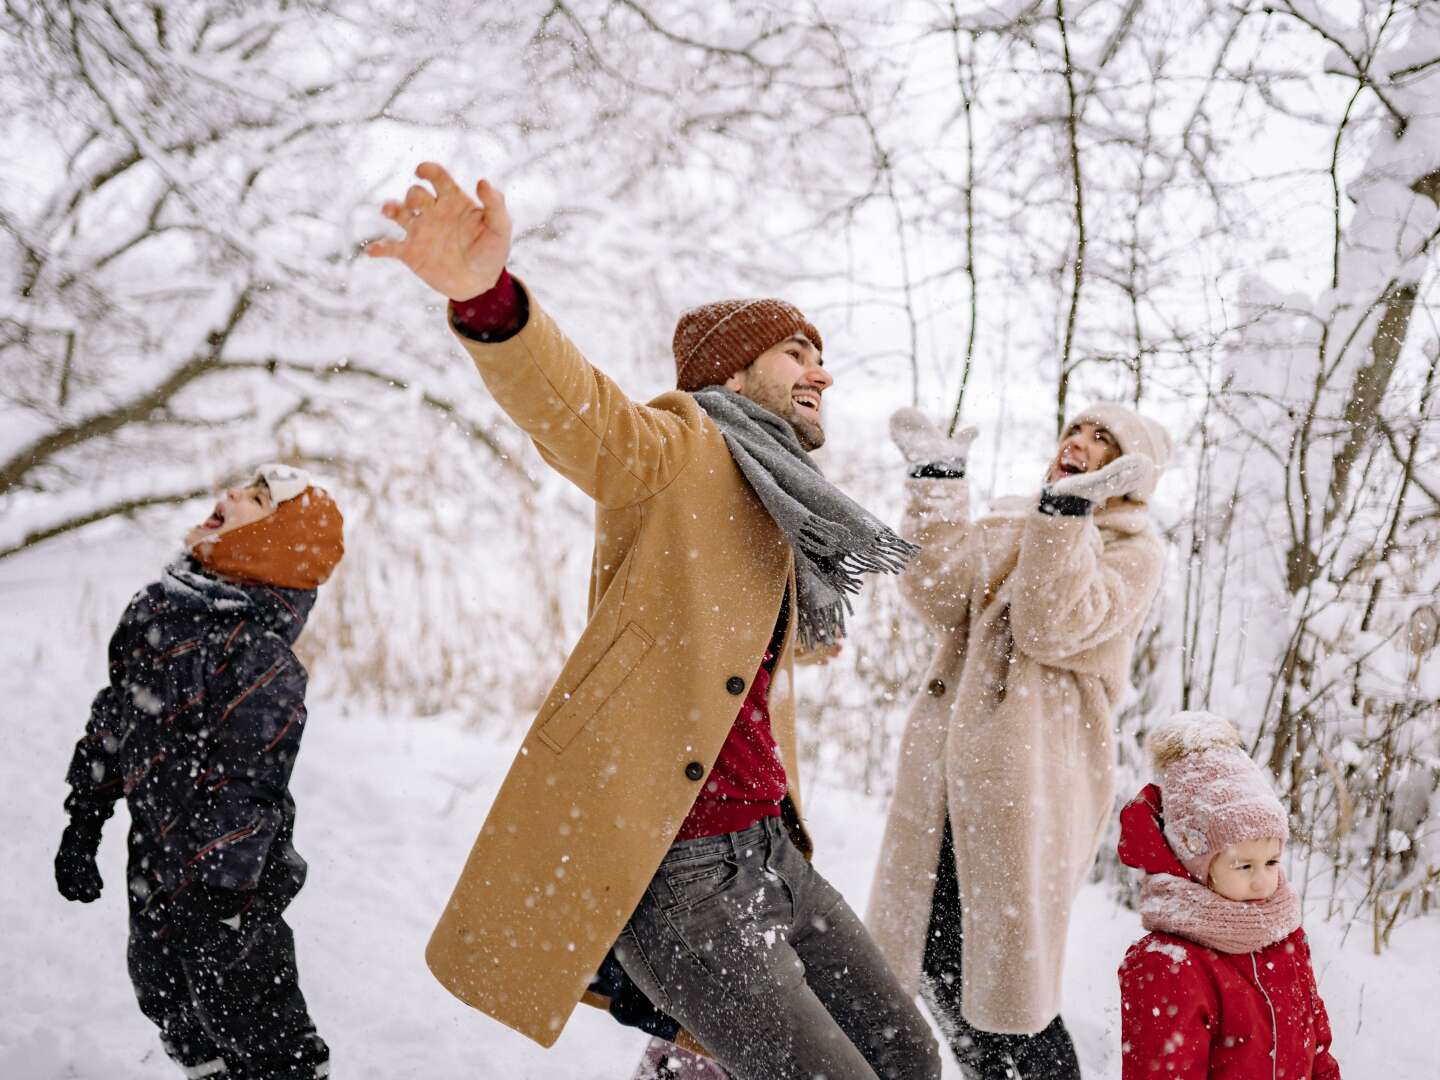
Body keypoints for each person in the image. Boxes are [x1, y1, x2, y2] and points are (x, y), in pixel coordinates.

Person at [365, 163, 940, 1080]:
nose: (820, 370)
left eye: (818, 353)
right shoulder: (678, 449)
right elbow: (577, 413)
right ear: (732, 370)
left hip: (770, 850)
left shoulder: (781, 498)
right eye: (795, 352)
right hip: (681, 873)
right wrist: (489, 301)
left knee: (908, 1053)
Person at [867, 404, 1171, 1078]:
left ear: (1131, 474)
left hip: (1029, 784)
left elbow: (1047, 626)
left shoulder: (1133, 551)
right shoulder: (1013, 517)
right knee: (933, 961)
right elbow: (937, 593)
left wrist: (1065, 520)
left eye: (1104, 441)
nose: (1079, 443)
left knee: (1007, 990)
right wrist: (937, 484)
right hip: (946, 780)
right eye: (1077, 430)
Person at [53, 465, 344, 1080]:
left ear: (271, 544)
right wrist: (86, 814)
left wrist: (219, 896)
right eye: (244, 486)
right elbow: (119, 713)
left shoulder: (260, 659)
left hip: (229, 881)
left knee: (251, 1009)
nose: (232, 494)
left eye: (258, 500)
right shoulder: (159, 611)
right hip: (156, 853)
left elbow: (248, 785)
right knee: (165, 991)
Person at [1117, 711, 1342, 1079]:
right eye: (1244, 866)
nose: (1261, 882)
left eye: (1271, 862)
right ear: (1198, 866)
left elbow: (1317, 1049)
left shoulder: (1283, 939)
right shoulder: (1170, 963)